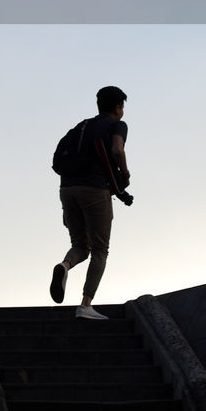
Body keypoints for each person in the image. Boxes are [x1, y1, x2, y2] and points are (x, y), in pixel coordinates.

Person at [50, 85, 129, 320]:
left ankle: (64, 267)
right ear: (118, 107)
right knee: (100, 250)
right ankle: (85, 305)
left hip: (67, 189)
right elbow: (117, 150)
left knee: (80, 246)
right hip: (95, 189)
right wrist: (124, 173)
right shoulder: (117, 125)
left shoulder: (81, 126)